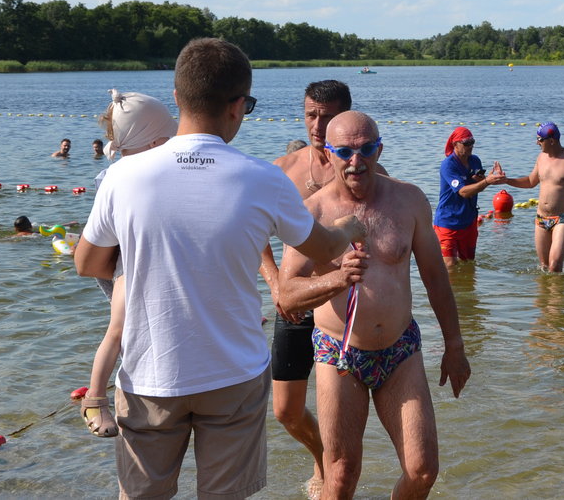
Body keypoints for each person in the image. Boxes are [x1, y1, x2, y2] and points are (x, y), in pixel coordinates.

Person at [74, 38, 365, 500]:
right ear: (237, 106)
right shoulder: (263, 178)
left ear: (177, 98)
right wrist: (351, 223)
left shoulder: (123, 176)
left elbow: (87, 262)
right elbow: (324, 244)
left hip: (151, 374)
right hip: (234, 373)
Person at [277, 110, 471, 499]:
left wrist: (454, 346)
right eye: (345, 151)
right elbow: (285, 295)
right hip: (339, 353)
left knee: (422, 470)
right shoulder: (312, 213)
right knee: (342, 474)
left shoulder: (409, 199)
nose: (356, 161)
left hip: (400, 350)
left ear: (379, 149)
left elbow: (436, 276)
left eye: (366, 149)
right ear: (328, 153)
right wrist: (338, 277)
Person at [258, 80, 363, 498]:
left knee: (339, 413)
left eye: (327, 116)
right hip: (297, 304)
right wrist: (274, 283)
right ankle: (322, 455)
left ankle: (336, 470)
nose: (318, 124)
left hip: (341, 309)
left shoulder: (363, 167)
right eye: (310, 115)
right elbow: (255, 229)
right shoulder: (283, 169)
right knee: (284, 410)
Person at [79, 88, 179, 439]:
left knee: (138, 325)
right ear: (156, 142)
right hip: (124, 261)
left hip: (149, 257)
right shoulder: (117, 175)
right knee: (119, 327)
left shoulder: (153, 167)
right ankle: (95, 398)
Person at [504, 122, 564, 272]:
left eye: (540, 139)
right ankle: (546, 295)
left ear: (551, 141)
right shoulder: (541, 158)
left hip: (563, 218)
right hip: (541, 218)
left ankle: (558, 295)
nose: (537, 142)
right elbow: (530, 182)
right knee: (544, 267)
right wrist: (507, 180)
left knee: (554, 266)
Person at [433, 127, 507, 270]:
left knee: (468, 264)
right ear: (455, 144)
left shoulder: (475, 160)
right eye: (466, 143)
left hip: (468, 221)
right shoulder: (448, 164)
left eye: (472, 142)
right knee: (450, 266)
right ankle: (448, 292)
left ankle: (468, 292)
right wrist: (486, 182)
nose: (471, 146)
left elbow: (476, 186)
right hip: (448, 221)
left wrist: (492, 179)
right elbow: (463, 192)